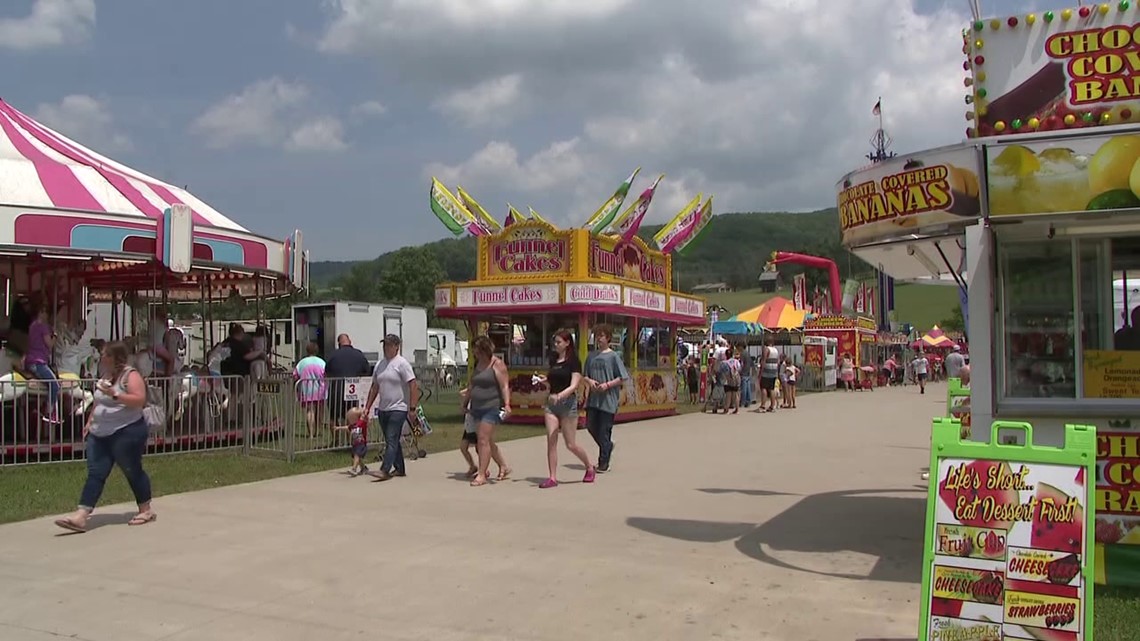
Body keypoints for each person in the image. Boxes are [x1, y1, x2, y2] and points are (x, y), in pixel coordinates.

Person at [54, 341, 156, 533]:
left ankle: (145, 509)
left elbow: (139, 400)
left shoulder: (130, 376)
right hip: (99, 433)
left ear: (114, 357)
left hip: (126, 431)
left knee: (131, 469)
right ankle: (81, 516)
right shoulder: (106, 375)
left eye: (105, 354)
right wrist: (90, 421)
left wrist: (116, 394)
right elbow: (98, 402)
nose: (101, 357)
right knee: (96, 472)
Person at [535, 329, 596, 488]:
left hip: (567, 404)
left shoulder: (574, 361)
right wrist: (544, 381)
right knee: (551, 439)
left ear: (567, 343)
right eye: (554, 342)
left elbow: (574, 385)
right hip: (552, 405)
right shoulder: (554, 359)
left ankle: (589, 466)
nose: (555, 345)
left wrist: (560, 396)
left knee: (570, 444)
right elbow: (552, 381)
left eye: (559, 342)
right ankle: (552, 478)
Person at [363, 334, 420, 482]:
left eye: (389, 345)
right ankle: (400, 468)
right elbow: (375, 387)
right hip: (383, 409)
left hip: (399, 408)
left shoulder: (402, 364)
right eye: (384, 345)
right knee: (392, 441)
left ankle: (385, 470)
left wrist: (412, 407)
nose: (386, 348)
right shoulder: (380, 365)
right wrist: (367, 407)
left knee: (392, 438)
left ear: (396, 347)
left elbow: (413, 385)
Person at [463, 335, 512, 486]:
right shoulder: (478, 365)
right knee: (487, 441)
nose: (474, 353)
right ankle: (503, 466)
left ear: (484, 350)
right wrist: (465, 403)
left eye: (477, 350)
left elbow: (504, 386)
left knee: (482, 440)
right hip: (476, 407)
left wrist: (507, 404)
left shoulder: (496, 364)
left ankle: (482, 474)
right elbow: (472, 386)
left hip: (491, 407)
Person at [583, 323, 629, 473]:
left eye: (601, 336)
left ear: (608, 338)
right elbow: (585, 375)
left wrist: (607, 385)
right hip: (593, 399)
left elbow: (622, 377)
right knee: (590, 426)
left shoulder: (613, 356)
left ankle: (603, 463)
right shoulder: (591, 356)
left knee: (604, 430)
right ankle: (607, 445)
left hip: (608, 399)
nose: (599, 339)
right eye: (597, 336)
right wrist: (590, 382)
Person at [459, 386, 509, 479]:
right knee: (465, 447)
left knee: (485, 446)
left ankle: (492, 468)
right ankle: (475, 467)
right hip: (470, 424)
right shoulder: (474, 387)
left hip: (481, 420)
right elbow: (464, 392)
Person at [325, 333, 372, 424]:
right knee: (352, 416)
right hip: (354, 392)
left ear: (339, 344)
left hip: (336, 391)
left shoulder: (333, 355)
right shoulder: (359, 354)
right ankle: (351, 436)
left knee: (333, 417)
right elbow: (367, 370)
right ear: (350, 342)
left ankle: (336, 437)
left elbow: (327, 371)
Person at [25, 305, 61, 424]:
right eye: (45, 313)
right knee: (54, 385)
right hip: (38, 361)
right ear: (41, 313)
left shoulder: (32, 326)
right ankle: (50, 413)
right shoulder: (43, 326)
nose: (47, 316)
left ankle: (41, 408)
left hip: (30, 360)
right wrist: (55, 335)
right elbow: (49, 344)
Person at [294, 342, 328, 439]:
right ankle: (318, 431)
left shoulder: (302, 362)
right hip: (320, 390)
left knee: (310, 411)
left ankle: (311, 434)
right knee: (319, 411)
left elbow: (295, 375)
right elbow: (326, 375)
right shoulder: (322, 362)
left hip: (307, 390)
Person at [333, 406, 369, 477]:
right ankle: (363, 468)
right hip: (355, 444)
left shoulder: (361, 423)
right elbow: (346, 427)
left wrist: (363, 414)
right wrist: (338, 428)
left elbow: (367, 420)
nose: (349, 420)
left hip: (361, 443)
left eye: (350, 418)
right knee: (358, 457)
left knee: (357, 455)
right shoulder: (352, 426)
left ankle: (354, 469)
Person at [757, 337, 779, 413]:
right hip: (773, 371)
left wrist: (760, 372)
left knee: (763, 388)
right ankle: (772, 406)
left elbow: (763, 360)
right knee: (771, 388)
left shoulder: (766, 349)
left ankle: (763, 405)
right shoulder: (775, 350)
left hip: (766, 371)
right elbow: (778, 361)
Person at [723, 348, 742, 414]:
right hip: (736, 380)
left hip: (727, 380)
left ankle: (726, 409)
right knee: (736, 394)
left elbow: (722, 371)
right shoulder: (736, 361)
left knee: (728, 394)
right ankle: (737, 409)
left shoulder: (725, 363)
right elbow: (739, 369)